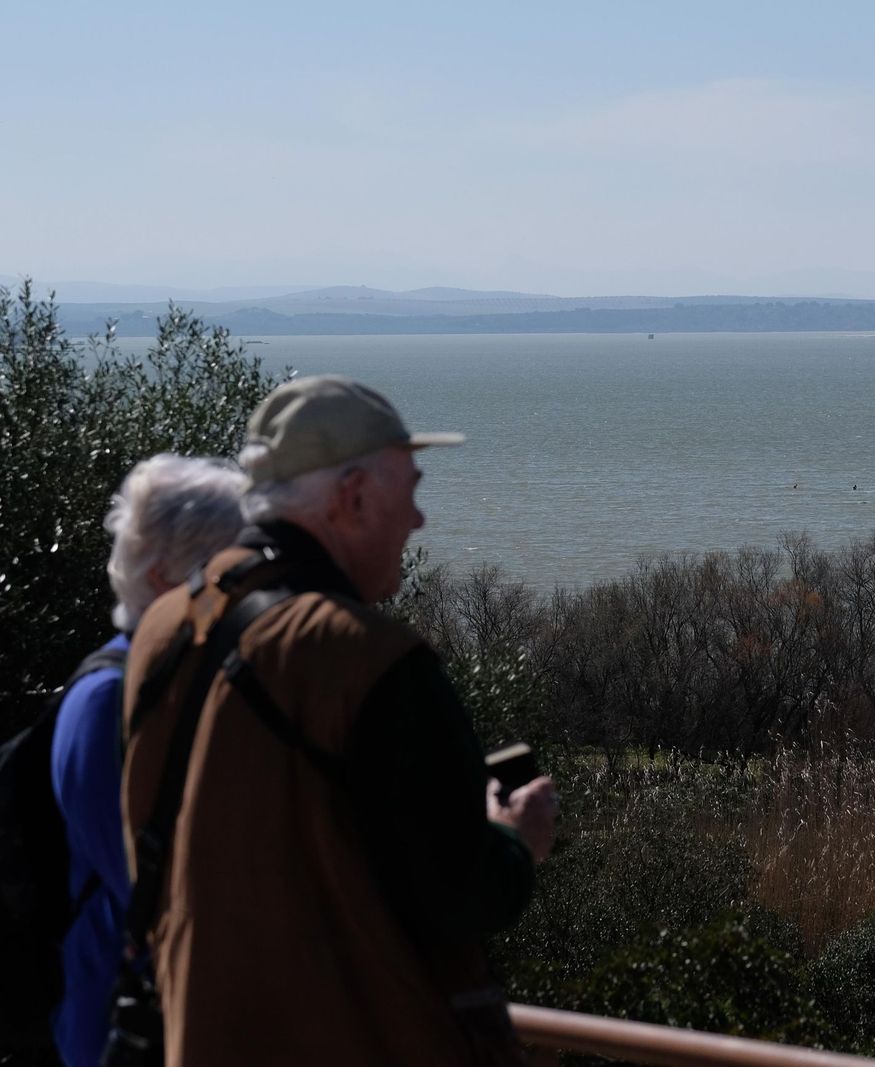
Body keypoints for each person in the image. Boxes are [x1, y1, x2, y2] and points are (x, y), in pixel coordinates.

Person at [120, 376, 557, 1065]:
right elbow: (458, 894)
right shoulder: (366, 657)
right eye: (411, 491)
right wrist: (513, 841)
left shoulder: (167, 625)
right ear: (352, 496)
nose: (419, 520)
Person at [50, 455, 247, 1067]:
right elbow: (147, 886)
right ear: (162, 575)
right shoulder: (107, 698)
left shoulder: (176, 683)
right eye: (224, 568)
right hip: (121, 1024)